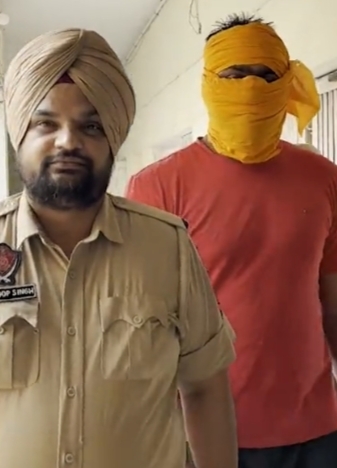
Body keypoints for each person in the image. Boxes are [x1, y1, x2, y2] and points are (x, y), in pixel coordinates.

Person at [0, 28, 238, 468]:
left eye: (90, 125)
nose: (68, 141)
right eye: (46, 123)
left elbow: (205, 387)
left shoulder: (167, 249)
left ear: (113, 137)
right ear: (20, 134)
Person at [126, 13, 337, 468]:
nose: (251, 87)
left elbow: (332, 297)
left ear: (286, 82)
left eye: (266, 76)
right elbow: (141, 322)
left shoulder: (324, 179)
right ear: (209, 83)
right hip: (206, 431)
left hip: (317, 430)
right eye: (235, 74)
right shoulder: (157, 187)